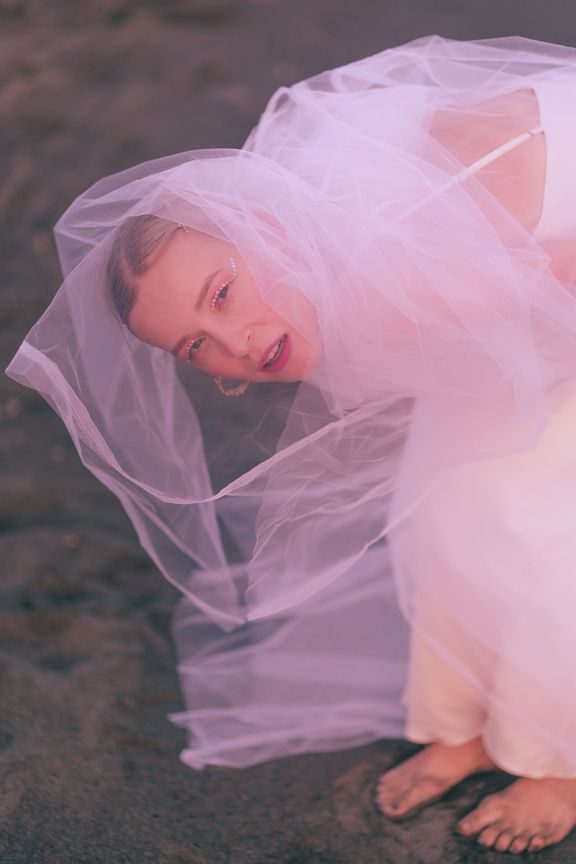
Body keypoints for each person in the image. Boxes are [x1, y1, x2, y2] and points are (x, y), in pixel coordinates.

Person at [8, 34, 576, 855]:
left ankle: (558, 758)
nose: (231, 344)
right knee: (441, 505)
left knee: (523, 515)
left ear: (265, 226)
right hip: (522, 309)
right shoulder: (346, 266)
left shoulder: (422, 245)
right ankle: (467, 723)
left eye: (223, 292)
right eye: (195, 347)